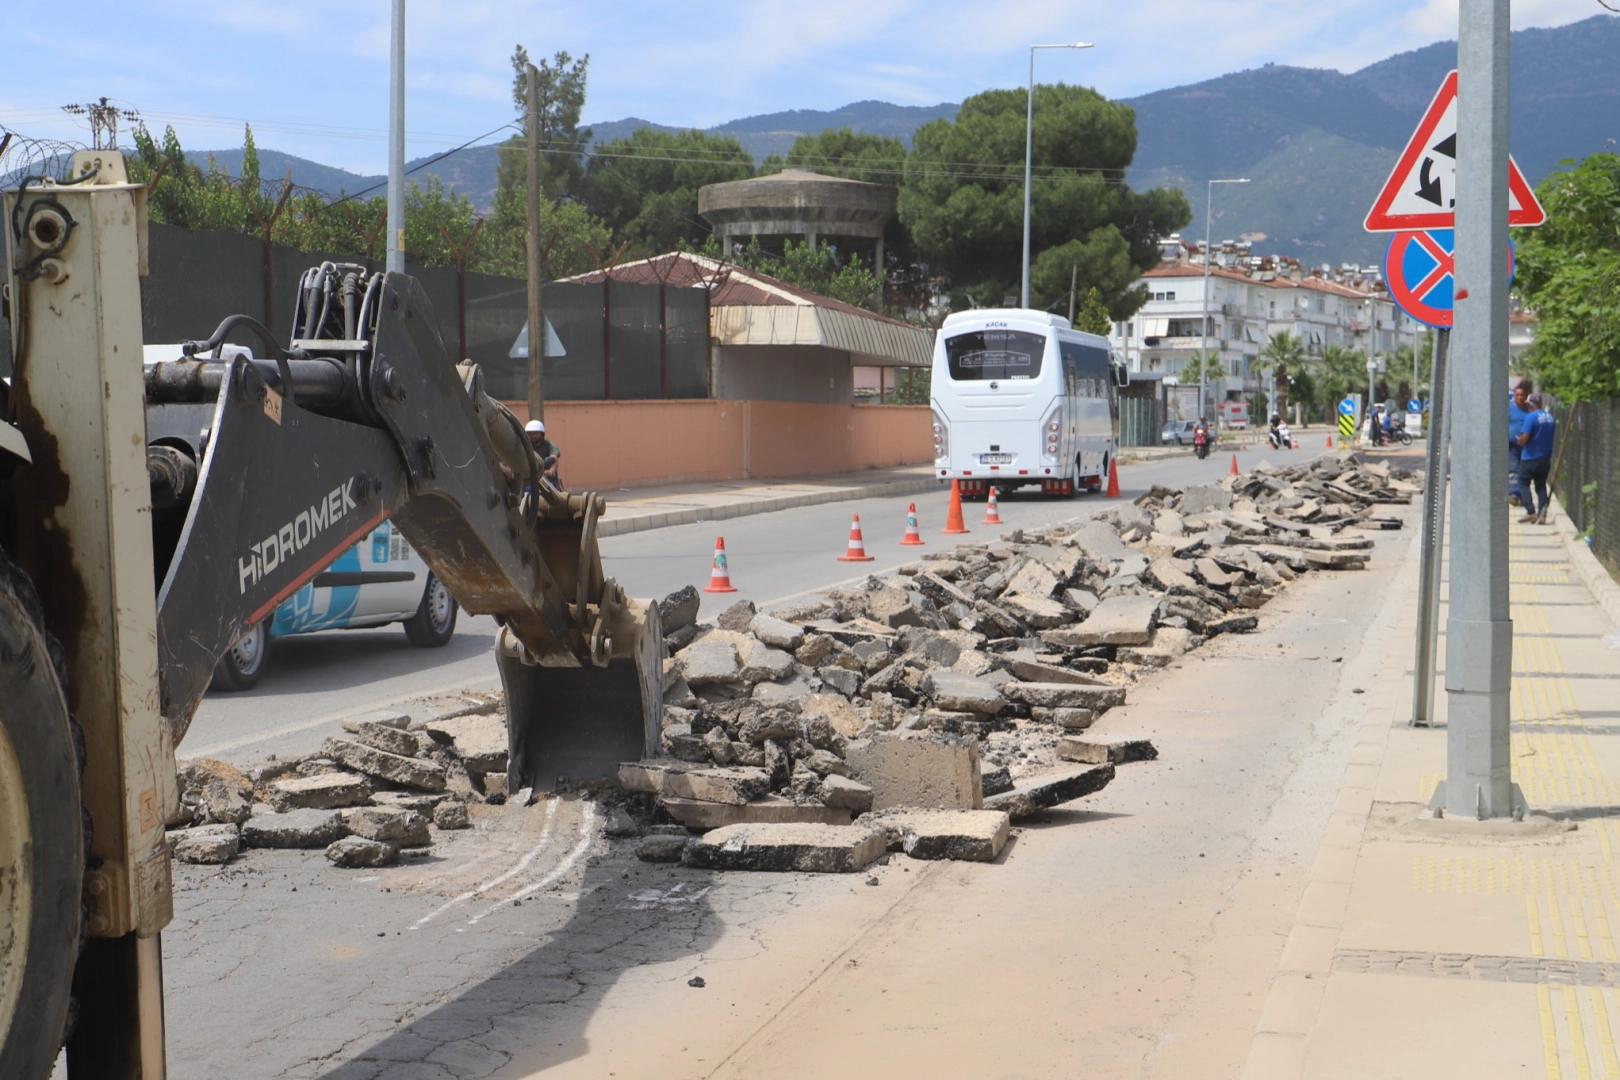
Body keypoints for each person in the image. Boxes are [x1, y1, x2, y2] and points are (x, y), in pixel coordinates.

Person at [1515, 393, 1556, 524]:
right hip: (1545, 458)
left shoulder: (1530, 418)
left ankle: (1531, 511)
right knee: (1541, 486)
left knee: (1522, 482)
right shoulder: (1550, 417)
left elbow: (1525, 437)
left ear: (1530, 405)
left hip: (1530, 457)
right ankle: (1542, 515)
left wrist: (1520, 440)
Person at [1507, 381, 1531, 506]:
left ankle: (1522, 495)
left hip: (1526, 445)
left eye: (1522, 395)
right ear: (1514, 396)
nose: (1520, 397)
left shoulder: (1530, 409)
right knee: (1514, 469)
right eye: (1517, 395)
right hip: (1511, 445)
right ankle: (1514, 494)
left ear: (1526, 396)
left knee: (1524, 471)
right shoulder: (1509, 408)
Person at [524, 419, 561, 488]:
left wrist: (551, 471)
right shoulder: (524, 446)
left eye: (535, 433)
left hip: (547, 478)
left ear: (541, 434)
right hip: (530, 478)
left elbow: (554, 458)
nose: (532, 436)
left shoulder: (550, 444)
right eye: (530, 434)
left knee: (551, 494)